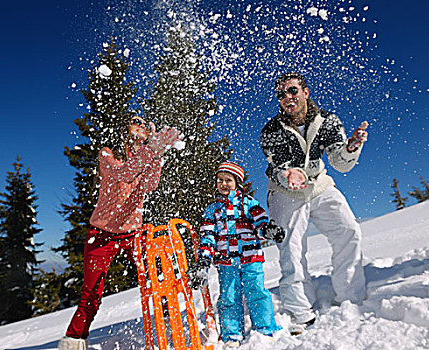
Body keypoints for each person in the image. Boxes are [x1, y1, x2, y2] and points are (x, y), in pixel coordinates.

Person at [58, 116, 180, 350]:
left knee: (157, 276)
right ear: (123, 127)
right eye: (136, 120)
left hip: (133, 233)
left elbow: (150, 185)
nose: (142, 124)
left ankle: (168, 325)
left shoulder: (143, 157)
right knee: (91, 294)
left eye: (145, 123)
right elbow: (126, 173)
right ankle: (74, 340)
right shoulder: (107, 155)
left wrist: (157, 155)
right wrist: (150, 151)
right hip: (101, 235)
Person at [259, 72, 368, 330]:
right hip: (286, 191)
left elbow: (340, 163)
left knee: (348, 230)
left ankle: (350, 296)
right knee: (292, 247)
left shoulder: (327, 121)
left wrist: (350, 149)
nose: (288, 97)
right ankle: (300, 309)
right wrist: (287, 175)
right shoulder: (271, 131)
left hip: (319, 185)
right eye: (282, 94)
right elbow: (276, 168)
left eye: (293, 91)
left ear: (305, 92)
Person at [188, 161, 284, 348]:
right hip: (226, 262)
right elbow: (208, 236)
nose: (223, 184)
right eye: (220, 180)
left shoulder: (249, 203)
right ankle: (232, 334)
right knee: (229, 297)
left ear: (237, 182)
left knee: (257, 292)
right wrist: (203, 261)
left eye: (228, 180)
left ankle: (265, 328)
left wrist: (268, 230)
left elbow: (260, 223)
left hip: (251, 258)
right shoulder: (212, 210)